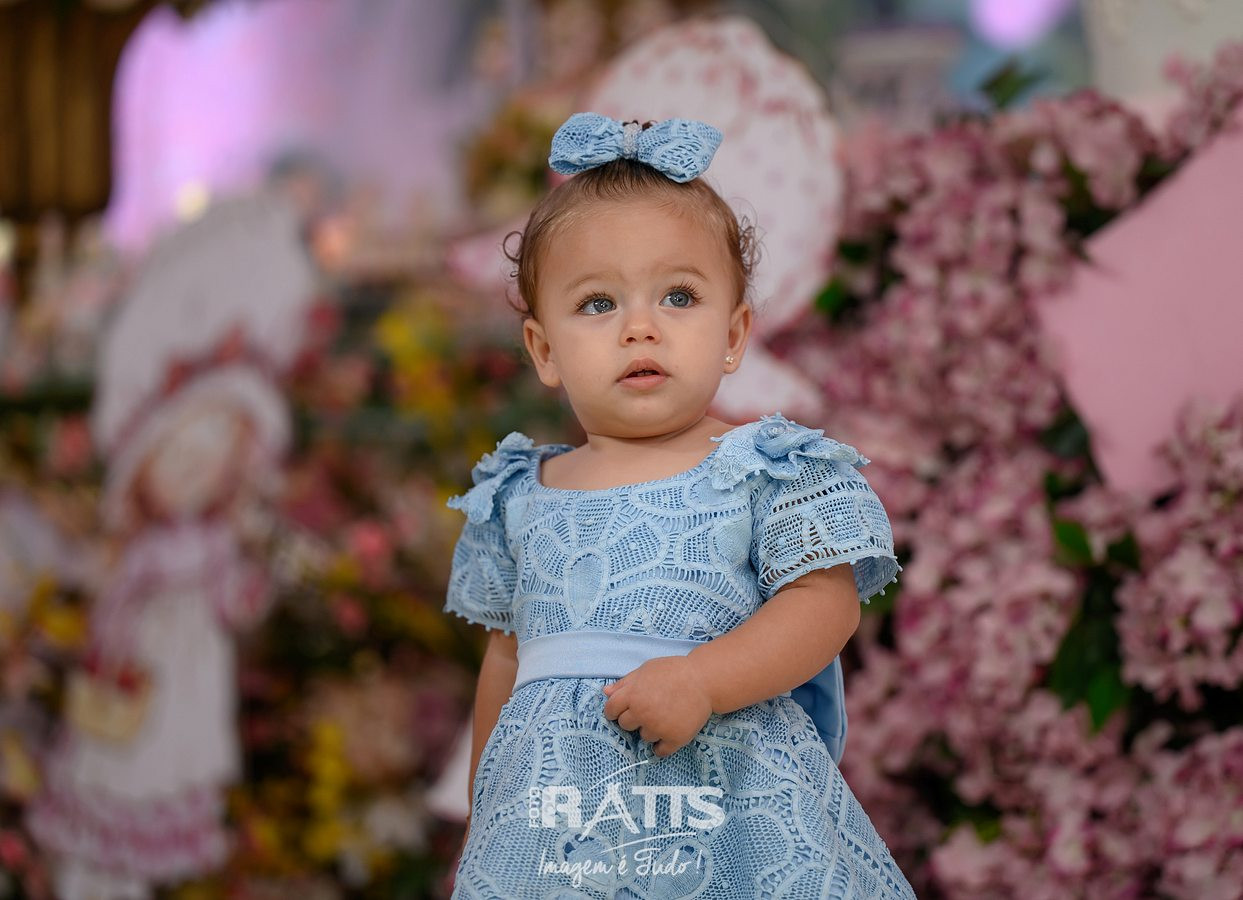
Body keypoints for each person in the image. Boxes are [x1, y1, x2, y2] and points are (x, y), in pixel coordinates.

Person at [444, 112, 916, 899]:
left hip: (724, 811)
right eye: (597, 304)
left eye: (677, 296)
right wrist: (486, 813)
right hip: (561, 830)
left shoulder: (763, 470)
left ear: (732, 336)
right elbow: (506, 659)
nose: (640, 328)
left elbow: (822, 603)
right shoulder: (519, 497)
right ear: (544, 350)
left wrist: (703, 680)